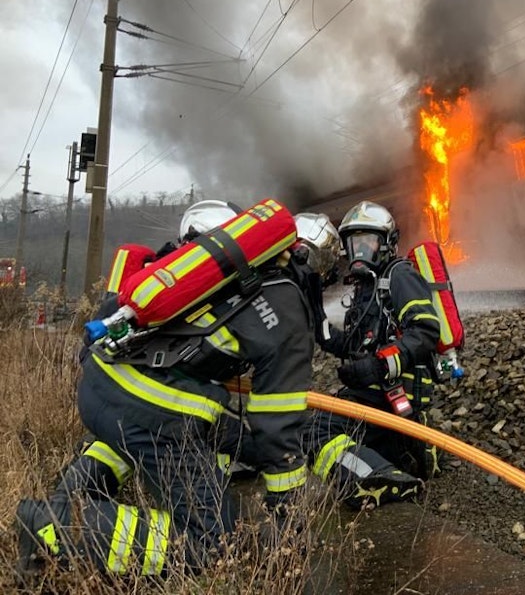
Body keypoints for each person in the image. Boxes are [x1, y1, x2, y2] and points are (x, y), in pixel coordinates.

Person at [15, 199, 317, 580]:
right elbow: (277, 422)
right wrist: (287, 507)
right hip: (153, 417)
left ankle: (67, 496)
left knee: (127, 440)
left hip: (100, 388)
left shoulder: (177, 272)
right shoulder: (283, 303)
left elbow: (109, 314)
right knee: (215, 544)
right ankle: (59, 526)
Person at [308, 200, 441, 508]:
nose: (360, 251)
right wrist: (323, 330)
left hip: (391, 393)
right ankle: (409, 449)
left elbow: (425, 332)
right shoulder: (366, 289)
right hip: (373, 394)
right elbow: (359, 345)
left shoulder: (399, 276)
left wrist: (378, 366)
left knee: (314, 432)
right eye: (354, 243)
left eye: (368, 241)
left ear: (387, 244)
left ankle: (380, 479)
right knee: (321, 427)